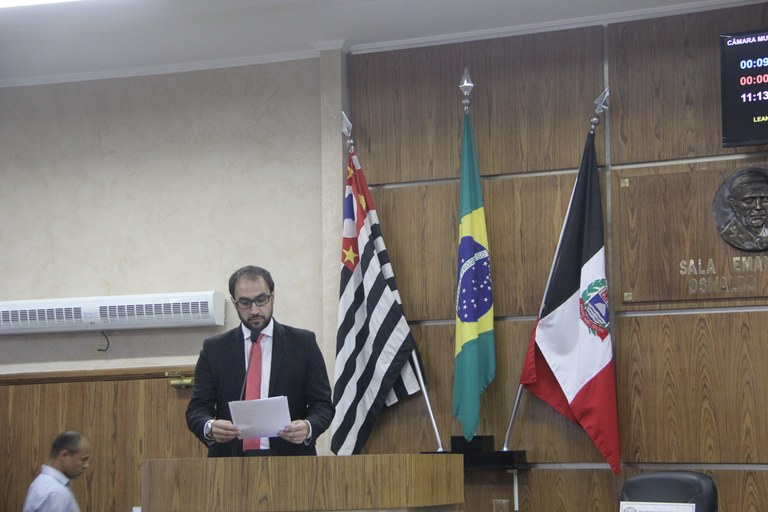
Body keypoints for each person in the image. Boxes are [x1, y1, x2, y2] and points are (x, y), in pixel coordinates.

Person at [186, 265, 334, 457]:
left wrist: (308, 427)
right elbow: (197, 410)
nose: (254, 310)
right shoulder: (214, 349)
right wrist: (210, 427)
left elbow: (323, 405)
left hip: (291, 460)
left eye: (261, 300)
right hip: (230, 461)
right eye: (245, 302)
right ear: (234, 303)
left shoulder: (303, 343)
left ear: (273, 296)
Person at [23, 430, 92, 512]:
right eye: (83, 460)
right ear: (64, 455)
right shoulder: (56, 492)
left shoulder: (41, 482)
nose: (86, 465)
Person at [719, 168, 768, 251]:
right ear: (733, 204)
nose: (758, 207)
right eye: (749, 200)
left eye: (765, 200)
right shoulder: (728, 236)